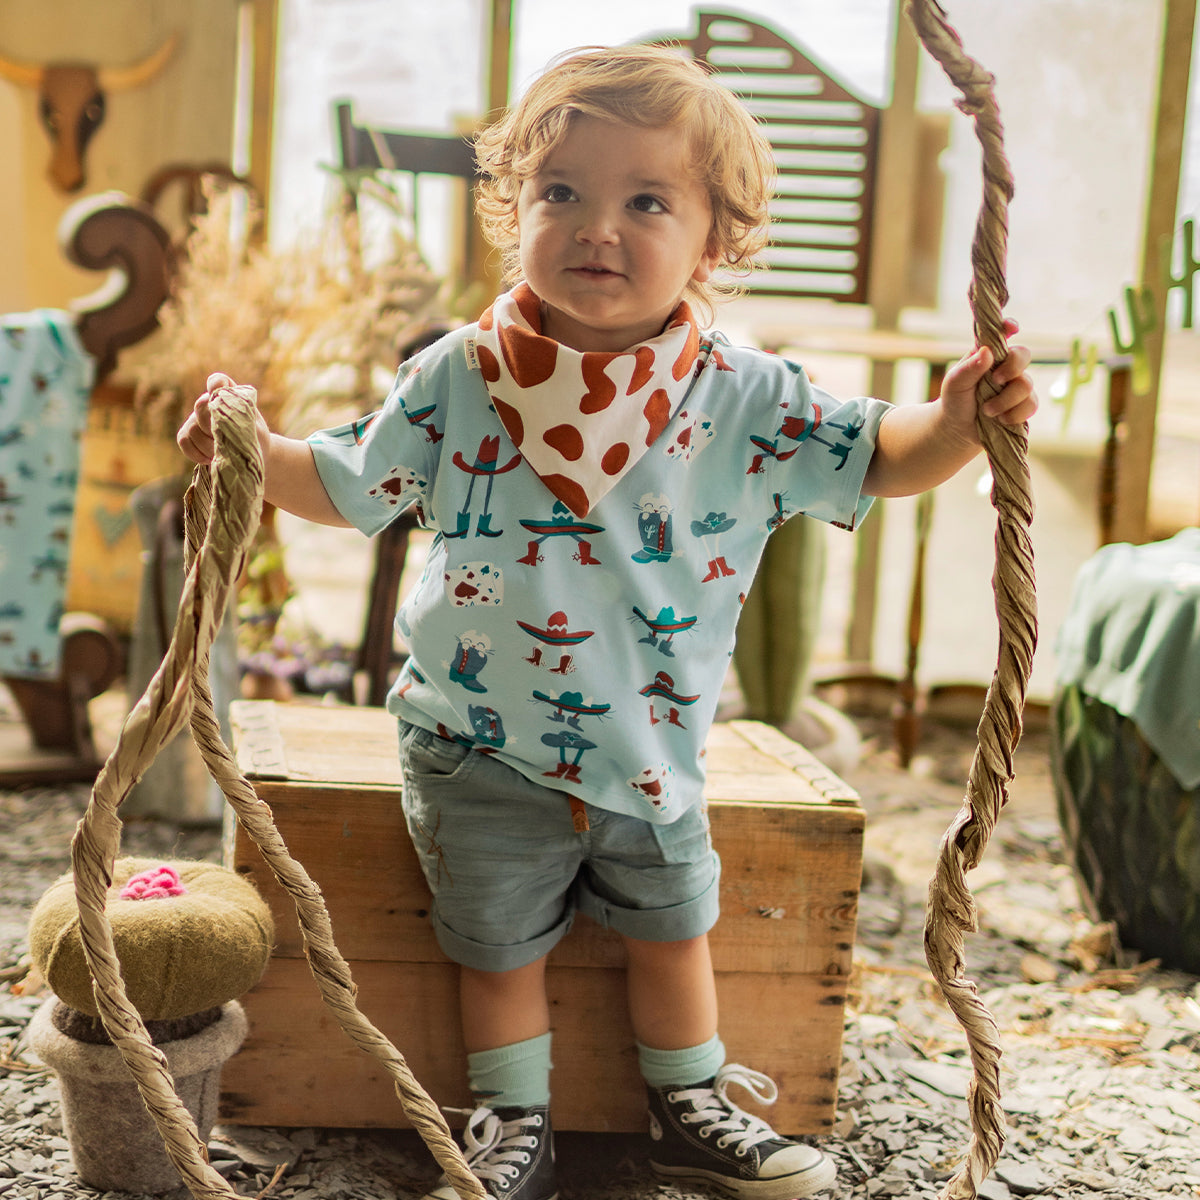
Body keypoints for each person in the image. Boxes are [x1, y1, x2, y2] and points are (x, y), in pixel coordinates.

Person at [179, 44, 1037, 1200]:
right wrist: (253, 451)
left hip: (652, 745)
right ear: (513, 211)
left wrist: (952, 423)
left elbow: (874, 458)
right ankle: (509, 1119)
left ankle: (687, 1103)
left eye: (646, 201)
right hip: (479, 742)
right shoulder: (459, 377)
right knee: (494, 945)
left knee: (674, 927)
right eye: (562, 194)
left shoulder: (744, 393)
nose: (597, 227)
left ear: (715, 240)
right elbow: (346, 484)